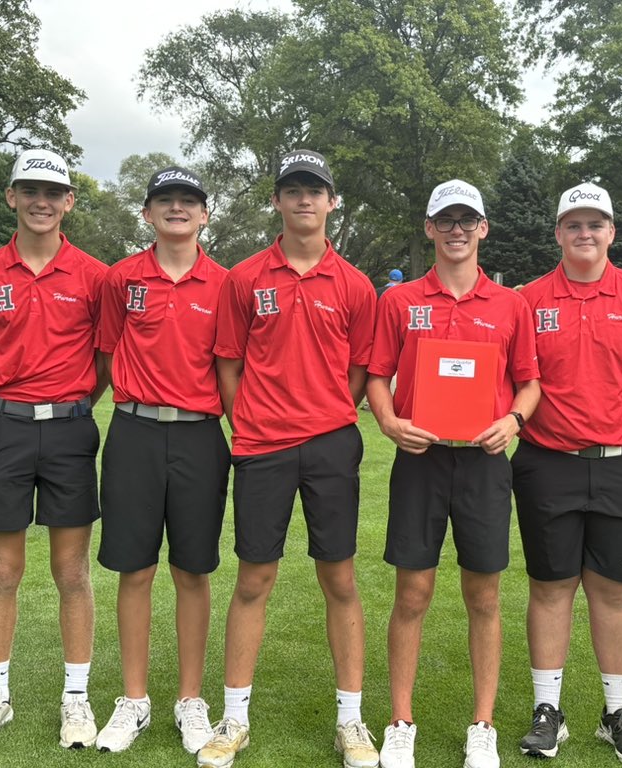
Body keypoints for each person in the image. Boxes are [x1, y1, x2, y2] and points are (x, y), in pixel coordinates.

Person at [197, 149, 379, 768]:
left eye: (316, 190)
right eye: (293, 189)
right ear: (277, 200)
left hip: (330, 445)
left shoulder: (355, 284)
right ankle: (234, 717)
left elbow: (360, 370)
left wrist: (327, 414)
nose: (305, 199)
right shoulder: (244, 278)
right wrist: (246, 418)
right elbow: (228, 361)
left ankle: (351, 722)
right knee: (254, 578)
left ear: (332, 202)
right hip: (260, 446)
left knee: (340, 579)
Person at [367, 179, 541, 768]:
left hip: (485, 462)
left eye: (468, 220)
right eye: (447, 220)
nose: (458, 230)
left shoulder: (510, 304)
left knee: (483, 595)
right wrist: (390, 423)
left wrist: (514, 421)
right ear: (430, 228)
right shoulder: (400, 300)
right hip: (420, 460)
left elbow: (530, 381)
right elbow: (376, 375)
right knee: (412, 592)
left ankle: (482, 724)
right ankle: (400, 720)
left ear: (483, 228)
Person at [512, 182, 622, 764]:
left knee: (613, 589)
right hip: (546, 462)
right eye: (574, 224)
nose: (585, 233)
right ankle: (547, 712)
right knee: (551, 586)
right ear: (558, 232)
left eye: (596, 224)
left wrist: (620, 423)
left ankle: (616, 712)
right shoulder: (528, 300)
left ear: (612, 231)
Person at [0, 148, 108, 749]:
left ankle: (76, 698)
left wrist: (67, 406)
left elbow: (102, 363)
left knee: (71, 570)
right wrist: (15, 401)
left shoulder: (95, 277)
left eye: (53, 192)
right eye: (29, 190)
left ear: (69, 201)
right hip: (4, 428)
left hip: (71, 429)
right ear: (12, 197)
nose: (41, 201)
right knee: (2, 571)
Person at [93, 167, 230, 755]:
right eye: (165, 201)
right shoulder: (121, 278)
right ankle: (134, 700)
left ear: (205, 215)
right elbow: (104, 353)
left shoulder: (228, 283)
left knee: (192, 569)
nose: (177, 209)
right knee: (136, 568)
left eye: (188, 202)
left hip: (201, 436)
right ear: (147, 214)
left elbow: (235, 367)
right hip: (134, 432)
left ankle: (191, 700)